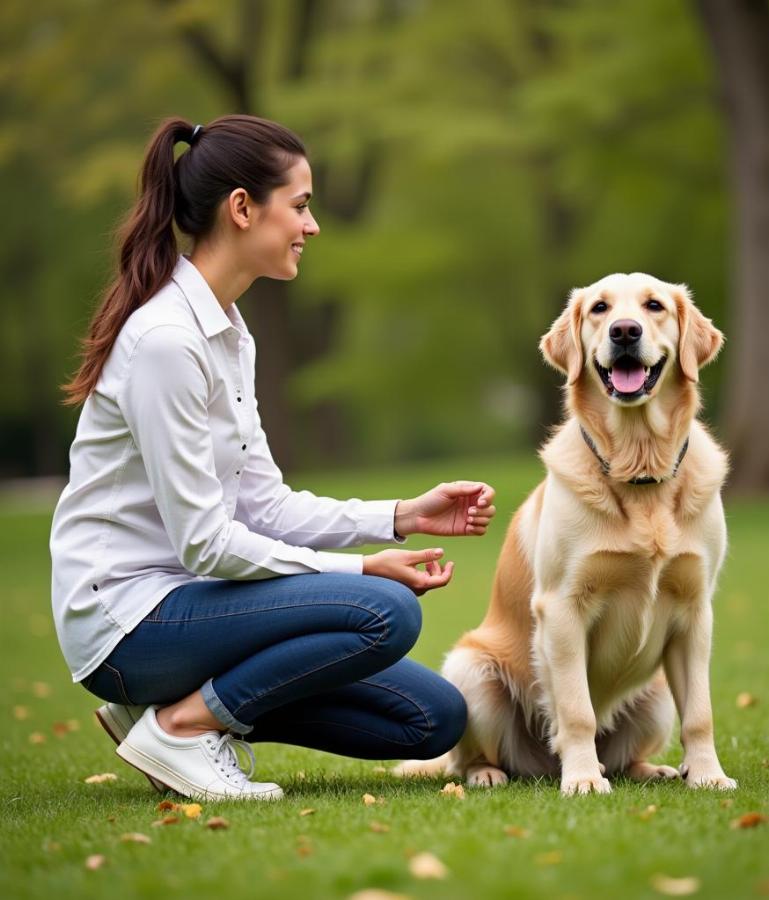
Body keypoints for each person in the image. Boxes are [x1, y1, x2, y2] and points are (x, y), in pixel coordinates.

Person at [49, 114, 496, 802]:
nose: (311, 226)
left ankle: (168, 711)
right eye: (301, 206)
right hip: (128, 621)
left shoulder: (229, 331)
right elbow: (204, 542)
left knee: (432, 720)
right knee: (386, 613)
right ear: (241, 208)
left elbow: (263, 503)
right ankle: (185, 725)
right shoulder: (167, 341)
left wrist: (402, 516)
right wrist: (361, 568)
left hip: (198, 608)